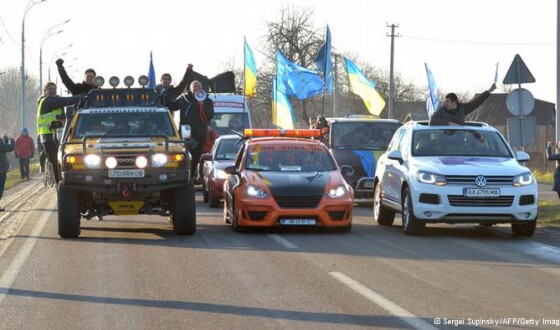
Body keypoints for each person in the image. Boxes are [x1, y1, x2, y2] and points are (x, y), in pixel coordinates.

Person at [37, 82, 83, 185]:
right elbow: (65, 101)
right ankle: (60, 186)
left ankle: (63, 182)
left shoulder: (54, 101)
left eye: (54, 88)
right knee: (56, 161)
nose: (52, 90)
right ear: (45, 91)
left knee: (61, 160)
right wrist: (81, 97)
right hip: (48, 136)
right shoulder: (47, 101)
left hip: (56, 136)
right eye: (50, 89)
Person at [169, 80, 214, 177]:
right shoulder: (184, 99)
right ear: (190, 88)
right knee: (182, 159)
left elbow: (210, 116)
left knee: (195, 159)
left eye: (199, 86)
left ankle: (191, 178)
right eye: (195, 86)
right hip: (185, 136)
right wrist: (165, 93)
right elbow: (171, 106)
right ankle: (182, 177)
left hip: (199, 137)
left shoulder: (207, 101)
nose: (197, 88)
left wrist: (202, 105)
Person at [429, 83, 497, 126]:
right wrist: (449, 123)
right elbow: (432, 121)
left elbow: (477, 102)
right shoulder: (441, 110)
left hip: (459, 139)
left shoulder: (463, 108)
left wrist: (489, 91)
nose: (445, 103)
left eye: (448, 101)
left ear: (454, 102)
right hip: (443, 139)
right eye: (445, 101)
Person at [0, 135, 15, 211]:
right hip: (1, 170)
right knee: (0, 188)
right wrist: (11, 138)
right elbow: (11, 147)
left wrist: (4, 141)